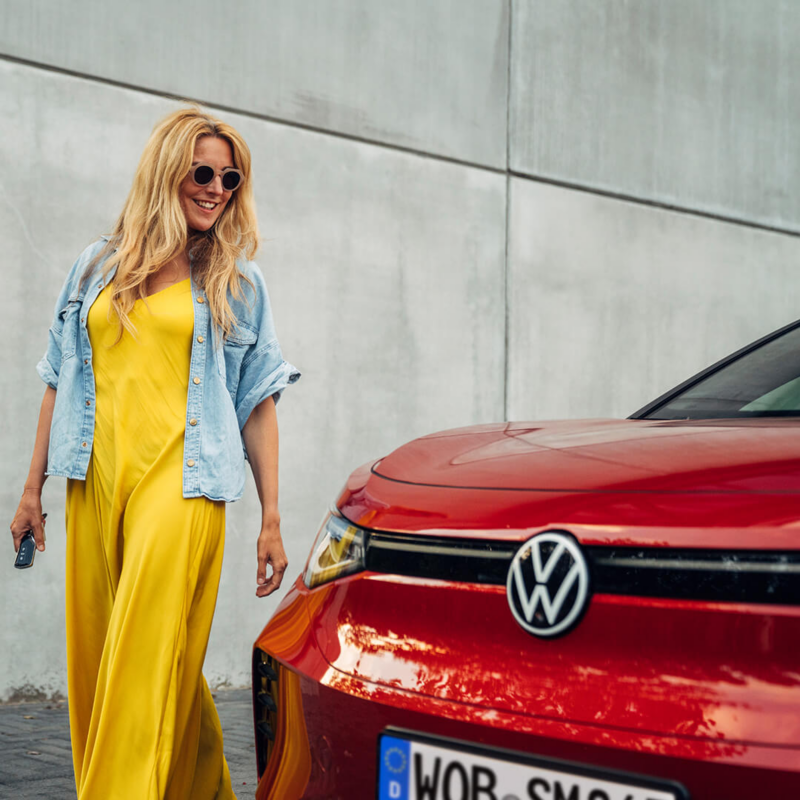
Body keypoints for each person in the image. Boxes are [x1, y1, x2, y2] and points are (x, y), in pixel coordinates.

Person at [9, 106, 300, 799]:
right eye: (202, 171)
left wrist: (271, 517)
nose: (216, 187)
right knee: (107, 660)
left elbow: (257, 403)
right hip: (95, 479)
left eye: (230, 178)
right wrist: (30, 490)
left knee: (140, 663)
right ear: (167, 171)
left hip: (184, 486)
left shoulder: (236, 280)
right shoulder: (95, 266)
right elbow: (58, 377)